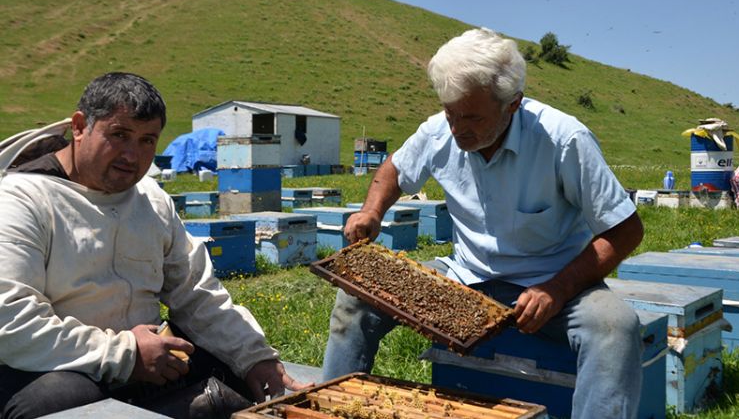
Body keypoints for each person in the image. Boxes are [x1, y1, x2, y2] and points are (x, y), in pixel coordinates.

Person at [322, 28, 645, 419]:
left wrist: (558, 288)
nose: (457, 127)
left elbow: (626, 229)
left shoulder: (564, 139)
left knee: (617, 327)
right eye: (450, 112)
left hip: (555, 284)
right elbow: (394, 170)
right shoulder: (439, 131)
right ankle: (334, 408)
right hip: (464, 277)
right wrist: (372, 211)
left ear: (512, 104)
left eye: (471, 116)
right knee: (356, 299)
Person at [0, 72, 308, 418]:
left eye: (148, 141)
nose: (132, 155)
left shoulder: (152, 200)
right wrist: (125, 353)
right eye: (119, 135)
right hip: (50, 369)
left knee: (230, 368)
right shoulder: (20, 200)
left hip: (148, 362)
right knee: (64, 400)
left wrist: (255, 358)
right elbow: (11, 322)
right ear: (79, 126)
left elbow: (196, 294)